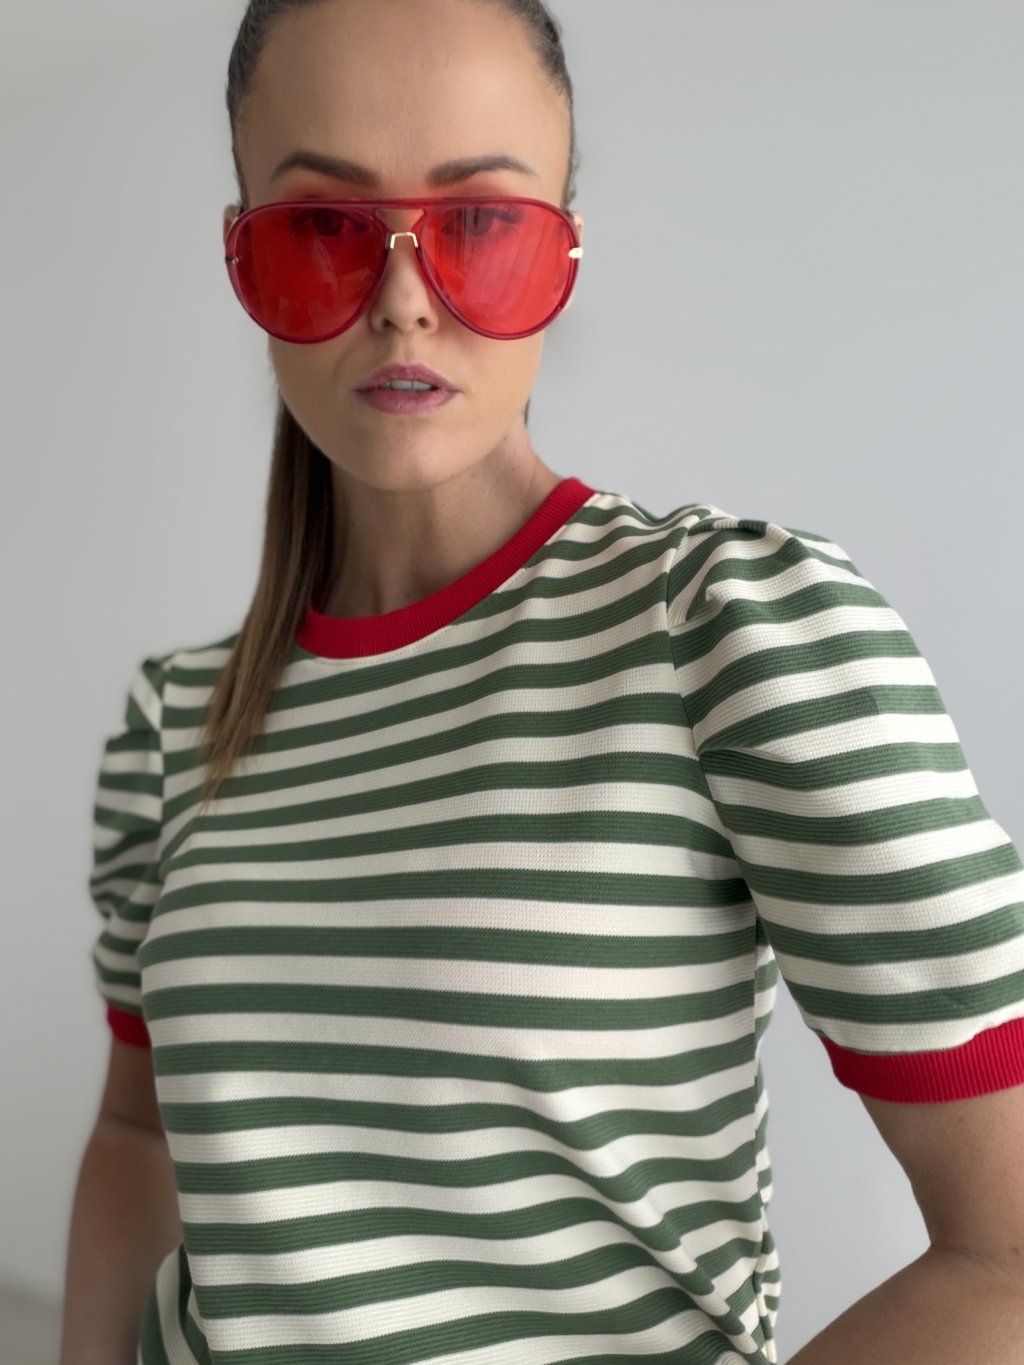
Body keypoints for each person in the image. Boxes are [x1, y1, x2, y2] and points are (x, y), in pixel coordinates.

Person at [61, 1, 1024, 1362]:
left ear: (566, 245)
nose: (403, 298)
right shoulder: (173, 724)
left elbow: (1009, 1246)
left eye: (478, 222)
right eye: (323, 226)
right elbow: (136, 1129)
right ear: (241, 255)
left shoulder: (727, 630)